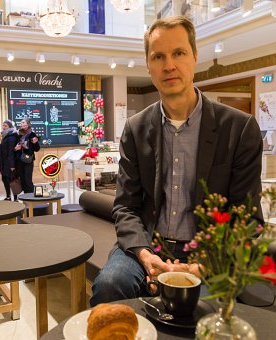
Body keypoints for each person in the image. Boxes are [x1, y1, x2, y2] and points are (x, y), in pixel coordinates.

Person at [90, 16, 263, 306]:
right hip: (147, 244)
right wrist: (145, 255)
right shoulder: (135, 128)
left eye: (178, 53)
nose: (169, 65)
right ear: (148, 65)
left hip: (208, 251)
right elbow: (126, 206)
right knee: (110, 285)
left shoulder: (240, 128)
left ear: (195, 57)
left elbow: (248, 218)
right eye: (158, 56)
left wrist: (203, 265)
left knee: (202, 311)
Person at [14, 118, 40, 193]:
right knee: (22, 180)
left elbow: (37, 149)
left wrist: (35, 143)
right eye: (21, 123)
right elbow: (14, 148)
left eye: (23, 122)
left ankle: (32, 198)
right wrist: (15, 148)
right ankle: (26, 198)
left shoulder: (32, 134)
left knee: (28, 180)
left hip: (28, 160)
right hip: (19, 160)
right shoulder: (18, 134)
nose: (21, 124)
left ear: (28, 124)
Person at [0, 120, 18, 201]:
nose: (3, 127)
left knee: (12, 180)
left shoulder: (11, 137)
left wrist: (12, 165)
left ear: (10, 127)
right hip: (4, 161)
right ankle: (8, 196)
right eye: (3, 125)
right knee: (5, 179)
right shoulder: (5, 136)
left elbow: (11, 152)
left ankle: (15, 198)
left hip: (9, 162)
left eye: (5, 126)